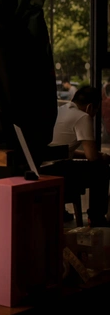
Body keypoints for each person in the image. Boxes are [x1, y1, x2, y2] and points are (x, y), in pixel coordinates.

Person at [42, 85, 110, 227]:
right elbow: (92, 157)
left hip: (43, 167)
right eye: (96, 111)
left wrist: (96, 155)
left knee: (74, 164)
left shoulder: (61, 110)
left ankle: (62, 212)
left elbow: (65, 150)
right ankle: (97, 217)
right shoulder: (83, 117)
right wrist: (102, 157)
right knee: (101, 169)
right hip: (59, 170)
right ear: (90, 107)